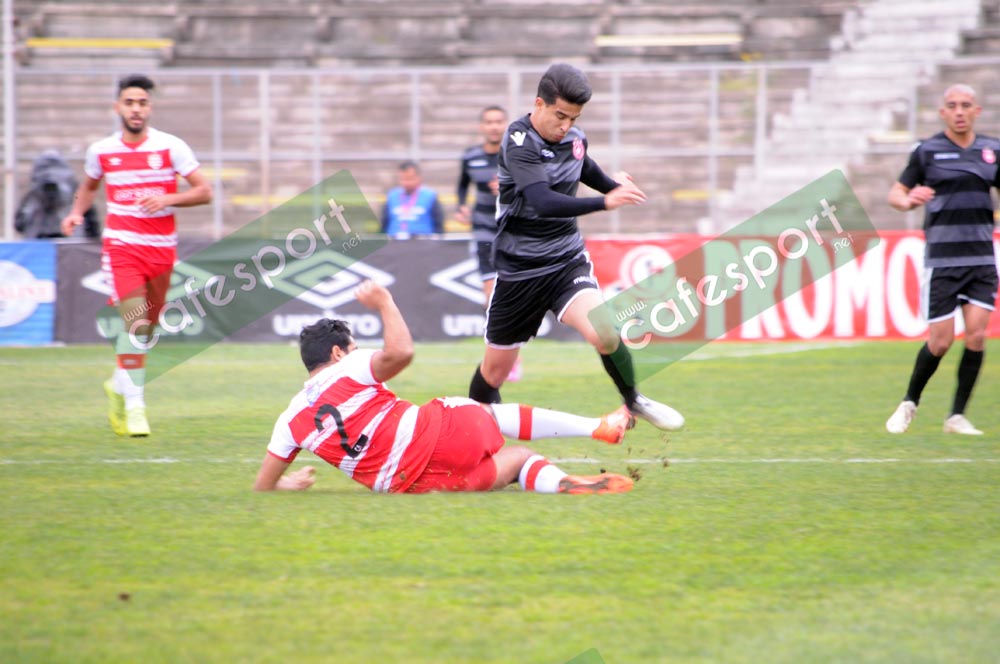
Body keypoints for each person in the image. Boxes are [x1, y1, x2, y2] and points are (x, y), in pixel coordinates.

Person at [254, 280, 636, 495]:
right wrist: (385, 302)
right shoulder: (348, 367)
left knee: (518, 459)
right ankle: (597, 427)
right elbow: (401, 352)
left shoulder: (290, 420)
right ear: (337, 352)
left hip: (412, 487)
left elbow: (262, 488)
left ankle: (563, 484)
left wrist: (287, 485)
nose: (356, 351)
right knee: (486, 413)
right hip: (435, 437)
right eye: (352, 346)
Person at [466, 63, 684, 432]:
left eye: (574, 117)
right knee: (494, 372)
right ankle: (471, 431)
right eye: (560, 115)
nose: (565, 125)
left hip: (565, 262)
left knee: (605, 332)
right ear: (539, 103)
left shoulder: (575, 138)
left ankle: (633, 399)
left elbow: (586, 169)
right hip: (519, 270)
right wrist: (604, 204)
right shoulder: (518, 142)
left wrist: (613, 187)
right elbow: (542, 201)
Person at [61, 73, 212, 437]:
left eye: (142, 103)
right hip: (121, 246)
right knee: (135, 322)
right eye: (129, 102)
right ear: (118, 107)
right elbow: (89, 186)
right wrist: (76, 212)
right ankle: (136, 408)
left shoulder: (171, 147)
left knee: (147, 328)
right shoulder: (102, 151)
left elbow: (205, 191)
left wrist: (168, 198)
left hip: (161, 251)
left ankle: (118, 384)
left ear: (150, 108)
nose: (136, 109)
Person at [885, 84, 1000, 435]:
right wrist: (909, 201)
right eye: (953, 105)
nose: (960, 111)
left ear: (977, 111)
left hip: (981, 258)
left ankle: (956, 416)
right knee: (940, 341)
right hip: (943, 260)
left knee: (977, 336)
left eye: (966, 105)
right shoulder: (928, 151)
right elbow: (896, 193)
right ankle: (909, 402)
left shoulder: (992, 150)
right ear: (943, 113)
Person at [455, 105, 524, 381]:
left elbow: (533, 186)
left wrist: (510, 187)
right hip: (484, 231)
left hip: (514, 231)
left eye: (499, 121)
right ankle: (499, 359)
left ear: (506, 124)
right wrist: (461, 206)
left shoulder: (516, 153)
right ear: (482, 126)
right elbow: (461, 186)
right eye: (489, 122)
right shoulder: (470, 157)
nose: (494, 126)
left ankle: (512, 356)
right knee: (492, 298)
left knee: (516, 296)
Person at [15, 149, 99, 239]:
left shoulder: (33, 193)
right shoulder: (75, 190)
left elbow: (19, 223)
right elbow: (90, 217)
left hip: (38, 240)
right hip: (71, 240)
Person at [380, 161, 443, 239]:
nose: (406, 183)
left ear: (418, 178)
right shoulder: (392, 196)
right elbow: (384, 223)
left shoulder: (430, 196)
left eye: (410, 179)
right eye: (403, 179)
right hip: (395, 242)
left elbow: (438, 225)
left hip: (422, 242)